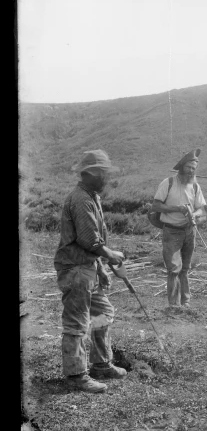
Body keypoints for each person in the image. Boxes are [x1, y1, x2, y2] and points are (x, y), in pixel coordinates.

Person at [53, 150, 128, 393]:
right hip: (75, 269)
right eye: (103, 173)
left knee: (102, 313)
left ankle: (101, 364)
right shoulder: (81, 199)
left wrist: (100, 267)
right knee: (76, 323)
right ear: (92, 173)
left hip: (87, 267)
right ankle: (76, 375)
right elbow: (88, 240)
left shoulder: (91, 196)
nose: (106, 178)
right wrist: (110, 254)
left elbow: (91, 244)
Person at [150, 149, 207, 309]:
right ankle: (173, 306)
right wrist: (177, 209)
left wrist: (194, 214)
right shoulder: (168, 183)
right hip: (171, 231)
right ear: (181, 167)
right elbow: (156, 205)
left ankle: (186, 303)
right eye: (189, 167)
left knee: (185, 268)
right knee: (174, 269)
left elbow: (202, 210)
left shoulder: (195, 186)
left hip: (189, 231)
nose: (191, 171)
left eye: (194, 168)